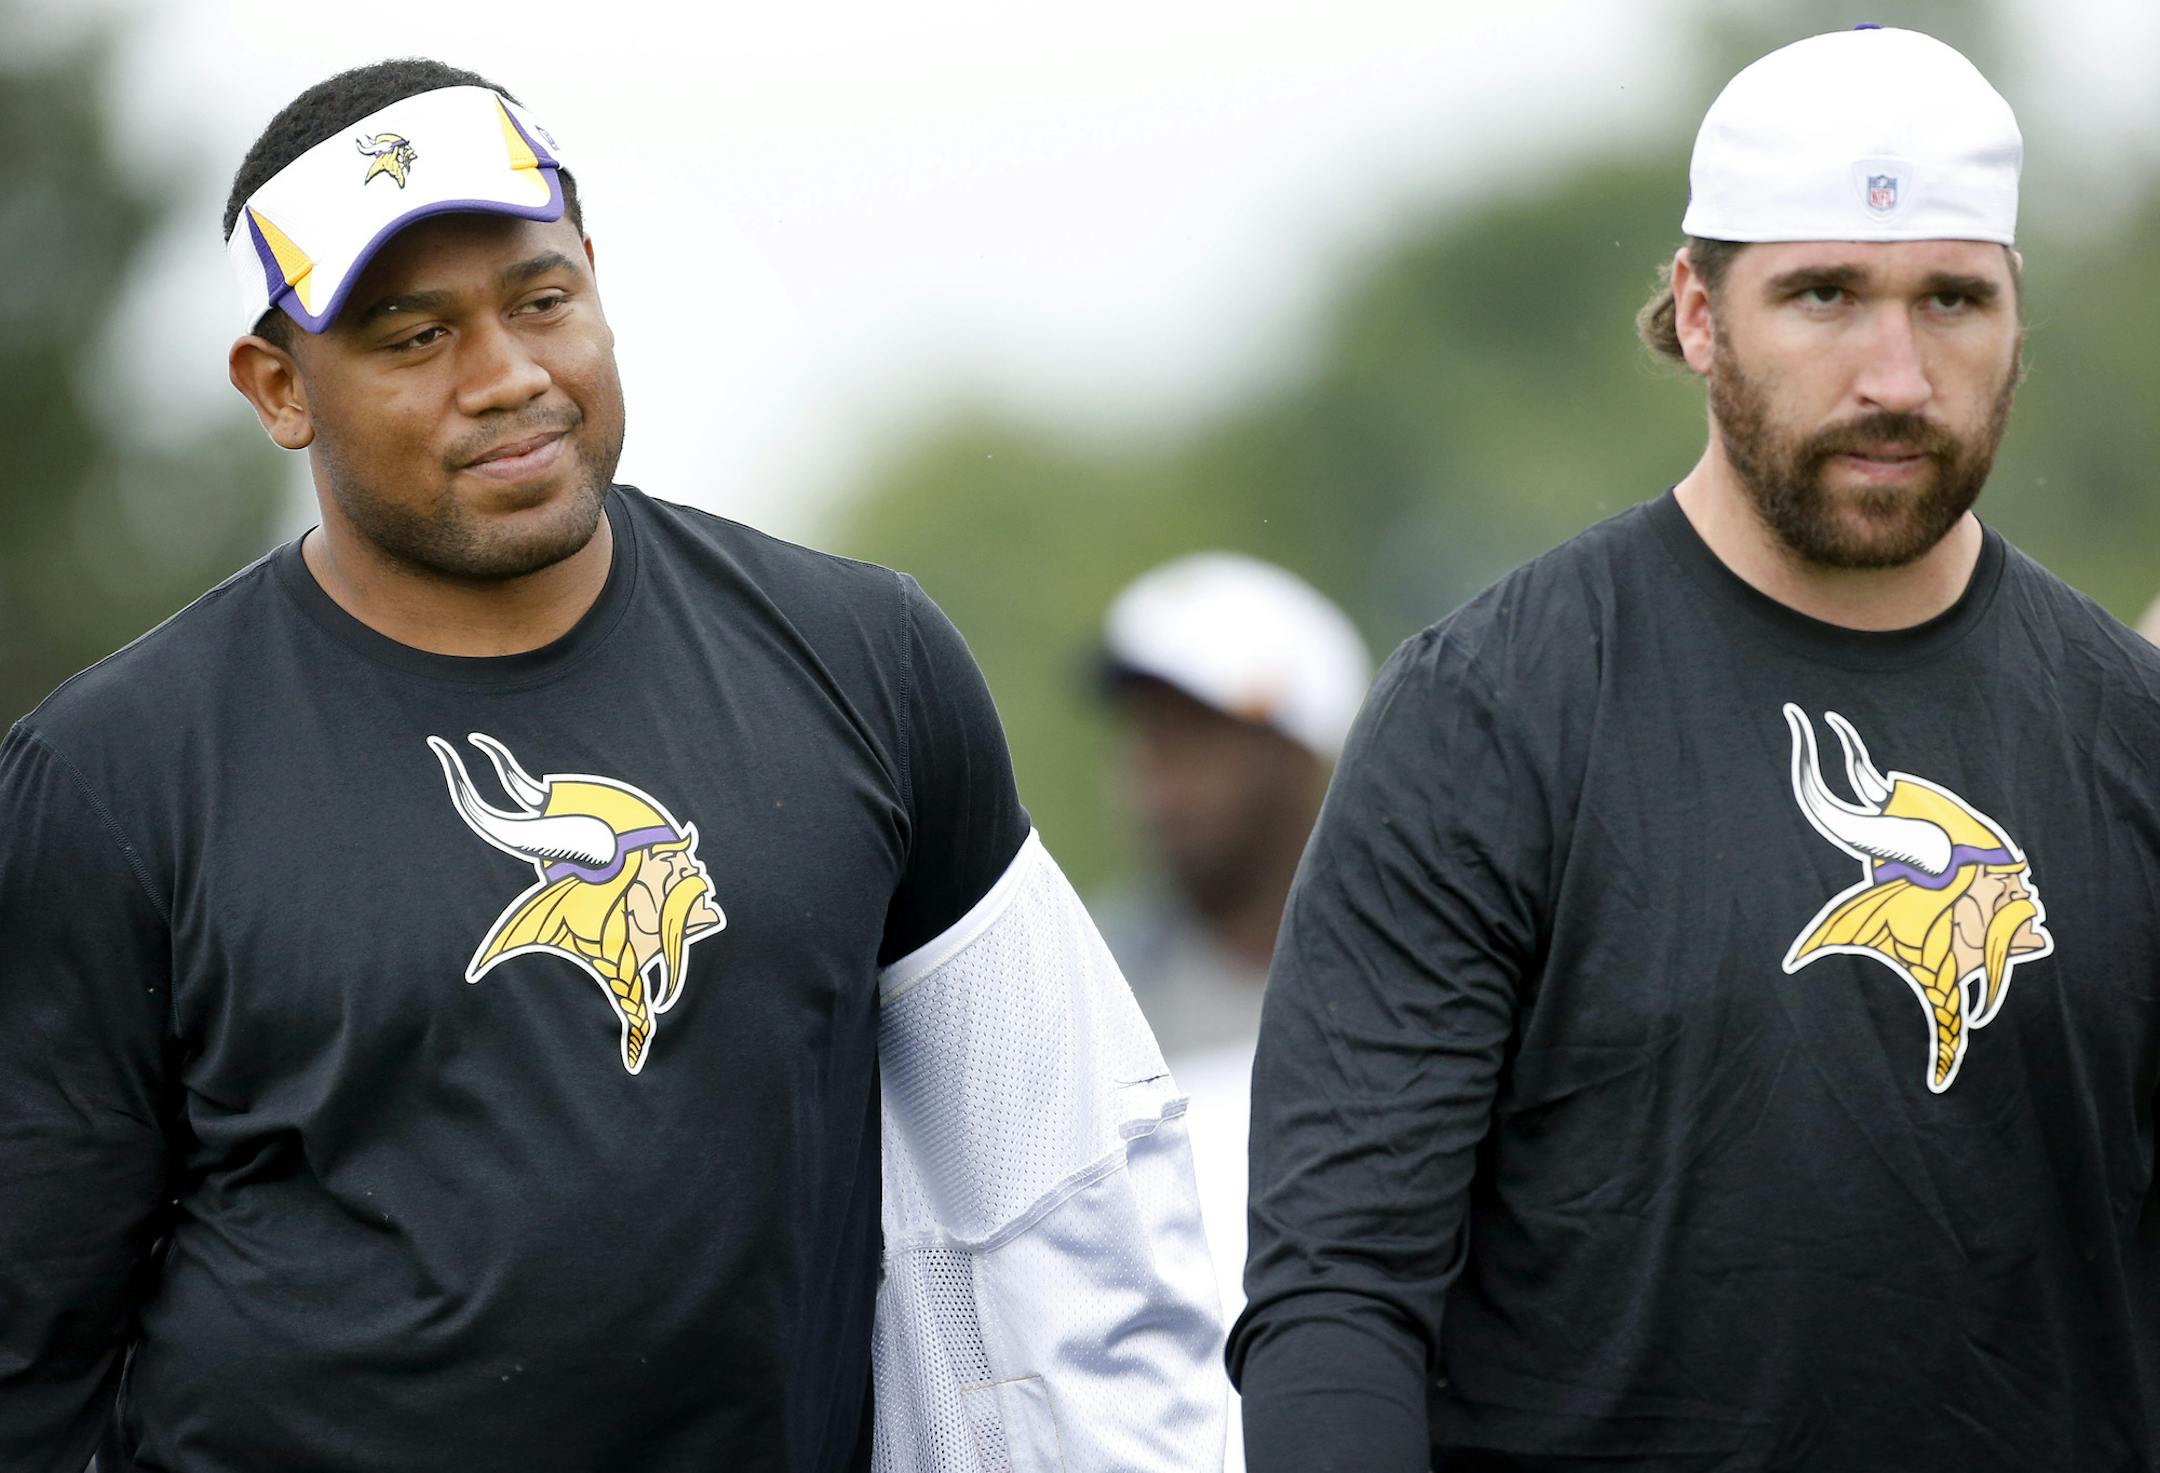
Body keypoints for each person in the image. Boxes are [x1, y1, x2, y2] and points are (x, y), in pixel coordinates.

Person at [0, 61, 1223, 1473]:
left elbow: (1071, 1198)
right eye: (413, 337)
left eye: (540, 299)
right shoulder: (113, 778)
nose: (508, 374)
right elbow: (29, 1347)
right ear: (279, 387)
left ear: (597, 280)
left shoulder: (866, 666)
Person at [1232, 26, 2160, 1472]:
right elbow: (1339, 1294)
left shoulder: (2130, 735)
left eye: (1953, 300)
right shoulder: (1493, 715)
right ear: (1701, 309)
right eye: (1825, 295)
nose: (1897, 373)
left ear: (2015, 314)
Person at [1092, 552, 1372, 1473]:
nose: (1158, 775)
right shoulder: (1083, 990)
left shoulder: (1427, 985)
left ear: (1303, 752)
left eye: (1198, 732)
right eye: (1147, 734)